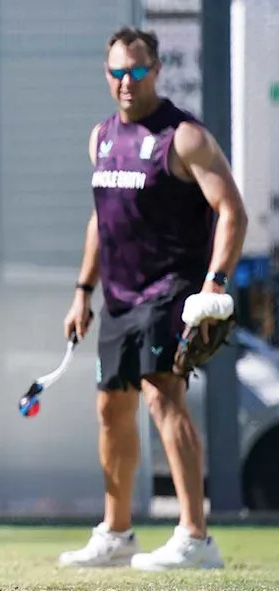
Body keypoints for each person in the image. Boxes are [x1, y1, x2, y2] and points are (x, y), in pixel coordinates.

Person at [58, 27, 247, 570]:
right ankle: (116, 533)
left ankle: (195, 538)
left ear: (156, 70)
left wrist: (215, 284)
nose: (126, 81)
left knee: (163, 397)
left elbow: (231, 210)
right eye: (117, 71)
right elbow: (102, 218)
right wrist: (82, 292)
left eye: (136, 71)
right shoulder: (100, 138)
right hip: (117, 295)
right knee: (110, 408)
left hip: (170, 289)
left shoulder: (182, 137)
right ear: (107, 73)